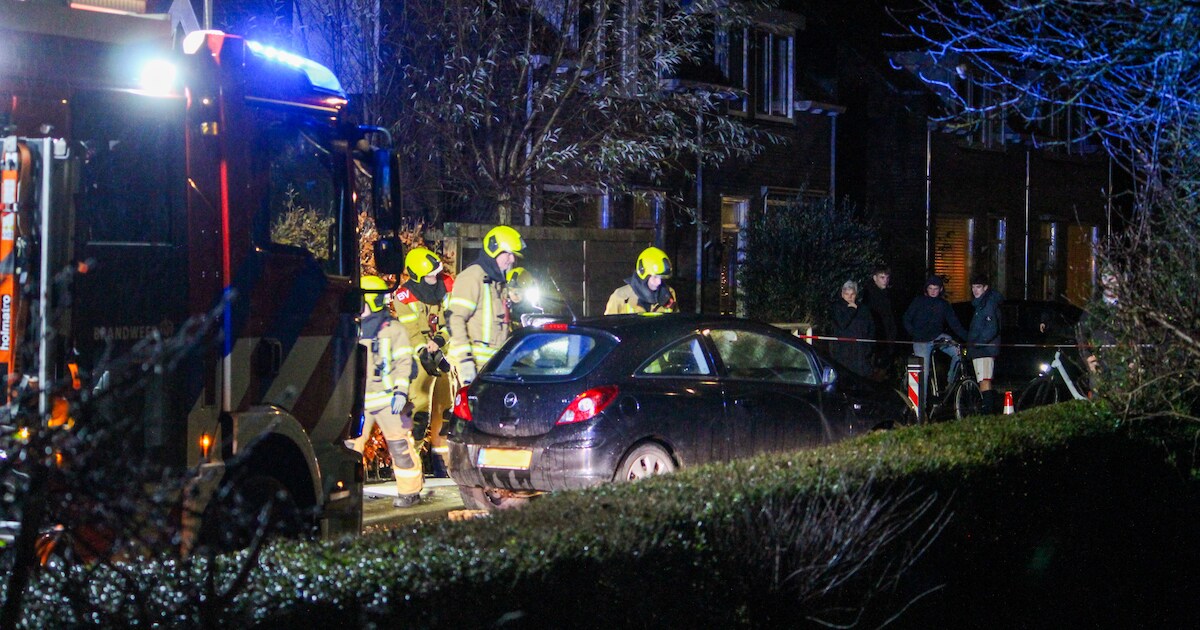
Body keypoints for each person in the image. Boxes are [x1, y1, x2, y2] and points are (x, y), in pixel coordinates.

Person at [352, 275, 423, 508]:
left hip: (388, 401)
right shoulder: (351, 329)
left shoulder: (393, 329)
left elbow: (405, 363)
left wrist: (401, 392)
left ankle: (410, 492)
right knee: (349, 450)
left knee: (400, 446)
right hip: (357, 402)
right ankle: (346, 495)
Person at [394, 247, 455, 477]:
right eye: (430, 274)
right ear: (417, 276)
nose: (435, 278)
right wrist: (423, 350)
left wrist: (440, 341)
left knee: (446, 410)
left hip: (444, 352)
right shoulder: (404, 296)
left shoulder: (448, 284)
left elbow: (452, 317)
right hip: (419, 359)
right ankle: (410, 463)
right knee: (419, 412)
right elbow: (410, 329)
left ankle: (444, 464)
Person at [447, 225, 526, 385]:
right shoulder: (472, 277)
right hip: (471, 368)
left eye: (513, 255)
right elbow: (455, 319)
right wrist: (465, 361)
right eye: (508, 254)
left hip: (490, 367)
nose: (512, 259)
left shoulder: (497, 282)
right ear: (493, 250)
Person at [903, 275, 969, 392]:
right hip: (921, 341)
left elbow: (955, 324)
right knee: (923, 373)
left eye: (936, 288)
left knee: (958, 352)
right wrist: (914, 333)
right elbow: (906, 318)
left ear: (940, 289)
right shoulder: (918, 301)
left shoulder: (944, 305)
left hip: (937, 337)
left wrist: (968, 338)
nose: (933, 291)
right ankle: (920, 407)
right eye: (930, 288)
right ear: (926, 289)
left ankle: (950, 383)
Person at [966, 273, 1003, 413]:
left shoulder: (987, 303)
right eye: (973, 287)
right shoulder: (981, 303)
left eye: (979, 287)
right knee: (983, 380)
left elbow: (991, 329)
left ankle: (987, 413)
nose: (975, 290)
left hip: (985, 349)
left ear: (985, 288)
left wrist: (977, 343)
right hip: (981, 349)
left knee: (985, 380)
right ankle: (986, 411)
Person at [605, 246, 678, 314]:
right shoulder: (621, 297)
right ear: (642, 273)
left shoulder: (669, 294)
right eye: (655, 277)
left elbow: (676, 323)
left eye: (661, 277)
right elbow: (606, 325)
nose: (659, 282)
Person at [829, 280, 875, 378]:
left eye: (852, 294)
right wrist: (851, 310)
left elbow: (871, 328)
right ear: (842, 294)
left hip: (861, 355)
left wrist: (868, 347)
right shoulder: (837, 307)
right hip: (843, 354)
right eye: (846, 294)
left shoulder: (863, 309)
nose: (849, 297)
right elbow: (842, 324)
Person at [860, 264, 900, 376]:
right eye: (882, 277)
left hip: (887, 338)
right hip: (877, 339)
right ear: (875, 278)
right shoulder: (870, 294)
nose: (885, 281)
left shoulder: (888, 294)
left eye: (887, 278)